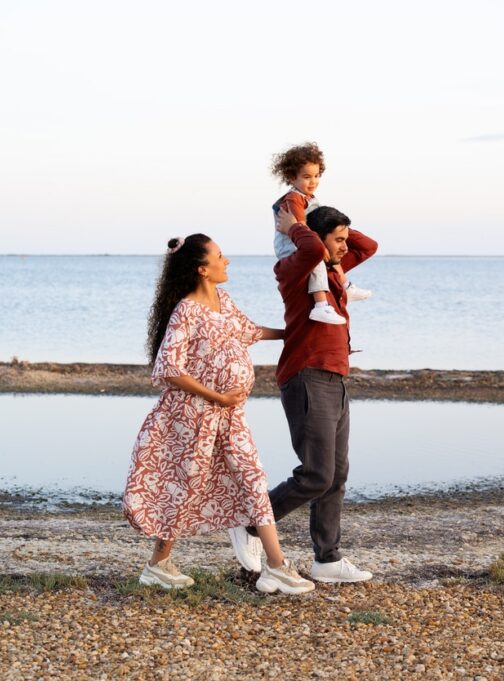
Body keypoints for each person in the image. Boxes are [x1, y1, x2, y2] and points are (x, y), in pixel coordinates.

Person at [122, 234, 314, 595]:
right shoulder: (186, 311)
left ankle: (276, 566)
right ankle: (157, 565)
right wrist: (217, 397)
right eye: (220, 256)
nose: (227, 261)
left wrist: (296, 334)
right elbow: (169, 368)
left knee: (252, 478)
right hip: (190, 418)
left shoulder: (222, 300)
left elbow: (248, 331)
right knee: (184, 489)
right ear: (202, 269)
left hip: (229, 415)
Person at [229, 205, 378, 583]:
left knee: (336, 475)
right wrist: (298, 224)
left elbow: (369, 245)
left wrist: (319, 212)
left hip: (335, 379)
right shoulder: (295, 268)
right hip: (307, 376)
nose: (346, 246)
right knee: (315, 475)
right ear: (317, 238)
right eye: (339, 239)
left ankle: (327, 560)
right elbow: (311, 249)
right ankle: (251, 523)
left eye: (345, 239)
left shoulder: (331, 270)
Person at [270, 142, 372, 327]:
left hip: (303, 241)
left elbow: (319, 226)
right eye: (307, 177)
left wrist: (339, 230)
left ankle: (345, 286)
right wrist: (316, 246)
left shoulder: (311, 198)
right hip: (290, 245)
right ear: (292, 178)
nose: (313, 181)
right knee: (317, 257)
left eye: (317, 176)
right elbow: (300, 225)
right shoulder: (294, 197)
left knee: (329, 256)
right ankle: (321, 305)